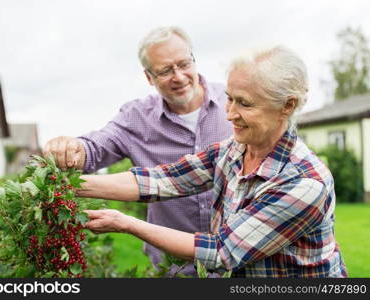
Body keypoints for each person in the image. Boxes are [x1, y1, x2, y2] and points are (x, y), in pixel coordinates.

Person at [76, 45, 348, 277]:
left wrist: (127, 223)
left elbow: (221, 251)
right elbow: (164, 180)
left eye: (245, 103)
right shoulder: (234, 151)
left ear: (287, 106)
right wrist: (70, 184)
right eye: (229, 98)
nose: (229, 114)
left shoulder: (303, 182)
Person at [43, 26, 232, 275]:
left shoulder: (234, 103)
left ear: (194, 59)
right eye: (165, 70)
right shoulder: (137, 118)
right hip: (174, 268)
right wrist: (69, 149)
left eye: (184, 64)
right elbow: (95, 148)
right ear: (149, 77)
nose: (179, 76)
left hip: (240, 262)